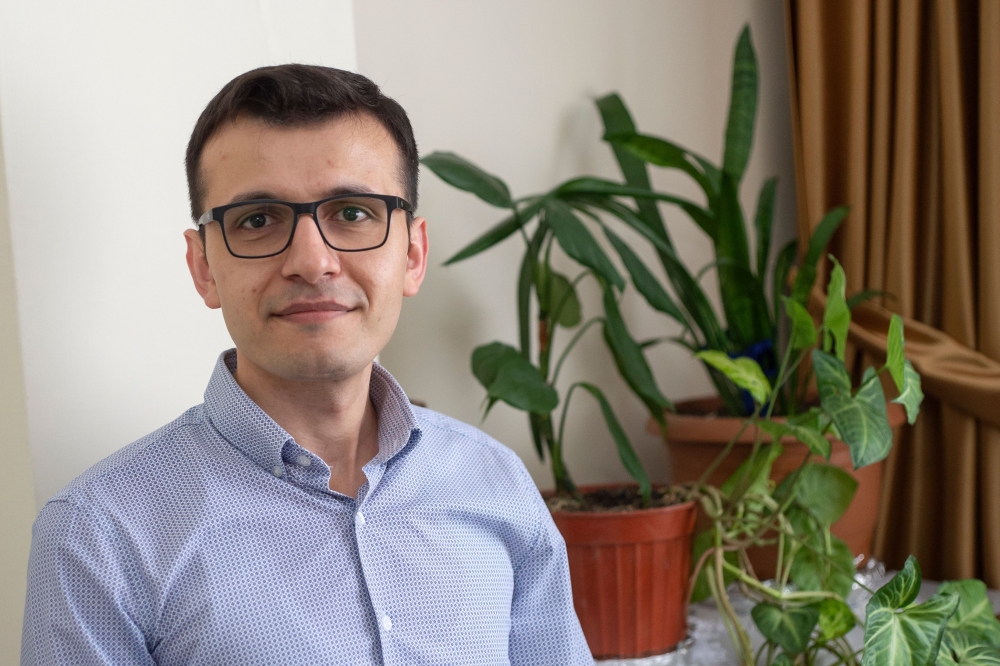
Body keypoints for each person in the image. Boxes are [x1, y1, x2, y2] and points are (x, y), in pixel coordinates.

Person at [21, 65, 592, 666]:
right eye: (258, 220)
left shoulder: (496, 484)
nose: (313, 262)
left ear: (413, 255)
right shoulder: (98, 536)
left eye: (352, 213)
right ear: (204, 268)